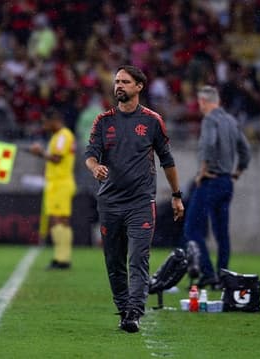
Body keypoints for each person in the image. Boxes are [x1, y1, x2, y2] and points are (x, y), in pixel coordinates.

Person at [85, 65, 184, 333]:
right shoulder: (103, 121)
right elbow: (91, 154)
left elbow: (167, 161)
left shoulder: (152, 121)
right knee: (114, 262)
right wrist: (95, 167)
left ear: (139, 86)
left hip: (141, 202)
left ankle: (134, 313)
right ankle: (123, 308)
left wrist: (176, 195)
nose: (119, 86)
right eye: (117, 81)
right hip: (109, 203)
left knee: (138, 258)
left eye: (125, 81)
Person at [183, 85, 251, 290]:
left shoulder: (210, 120)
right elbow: (245, 149)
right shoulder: (231, 121)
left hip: (210, 180)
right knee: (222, 233)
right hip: (226, 182)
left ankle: (208, 273)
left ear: (204, 101)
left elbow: (209, 144)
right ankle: (223, 276)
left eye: (200, 103)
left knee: (192, 229)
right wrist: (238, 171)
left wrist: (202, 169)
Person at [29, 108, 77, 269]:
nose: (44, 126)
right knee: (60, 220)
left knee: (59, 220)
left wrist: (40, 152)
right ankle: (61, 257)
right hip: (57, 183)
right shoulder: (58, 136)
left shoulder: (63, 135)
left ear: (54, 121)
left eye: (45, 122)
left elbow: (57, 158)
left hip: (61, 183)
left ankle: (62, 259)